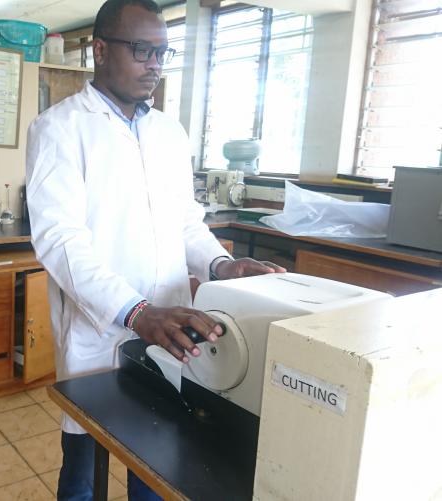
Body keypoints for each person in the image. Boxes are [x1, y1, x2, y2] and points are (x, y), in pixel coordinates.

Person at [26, 1, 286, 499]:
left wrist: (221, 264)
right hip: (99, 327)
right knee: (85, 466)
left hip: (168, 330)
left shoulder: (169, 132)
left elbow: (185, 221)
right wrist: (136, 311)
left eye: (162, 53)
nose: (154, 65)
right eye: (142, 50)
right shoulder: (60, 129)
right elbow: (60, 240)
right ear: (100, 50)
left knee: (155, 458)